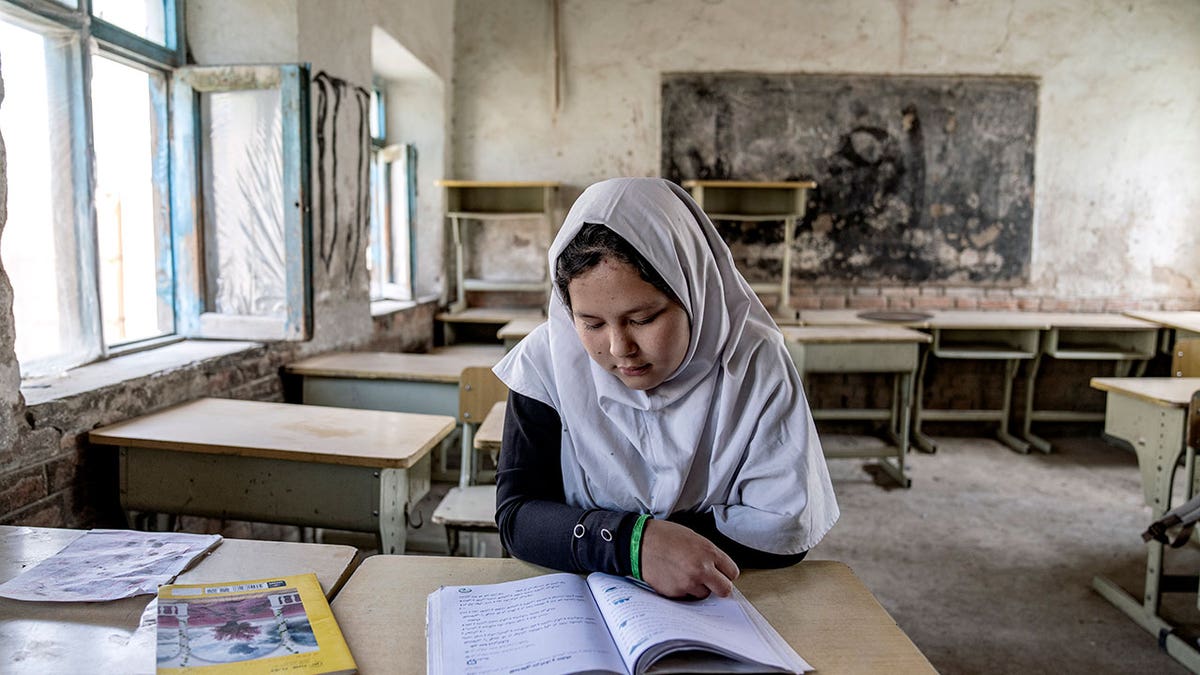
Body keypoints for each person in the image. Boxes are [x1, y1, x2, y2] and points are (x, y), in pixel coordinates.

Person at [493, 177, 838, 599]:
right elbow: (517, 516)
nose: (621, 349)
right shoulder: (546, 363)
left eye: (644, 318)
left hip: (732, 595)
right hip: (581, 599)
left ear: (695, 292)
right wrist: (634, 543)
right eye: (592, 323)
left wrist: (621, 541)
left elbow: (783, 528)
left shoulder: (754, 362)